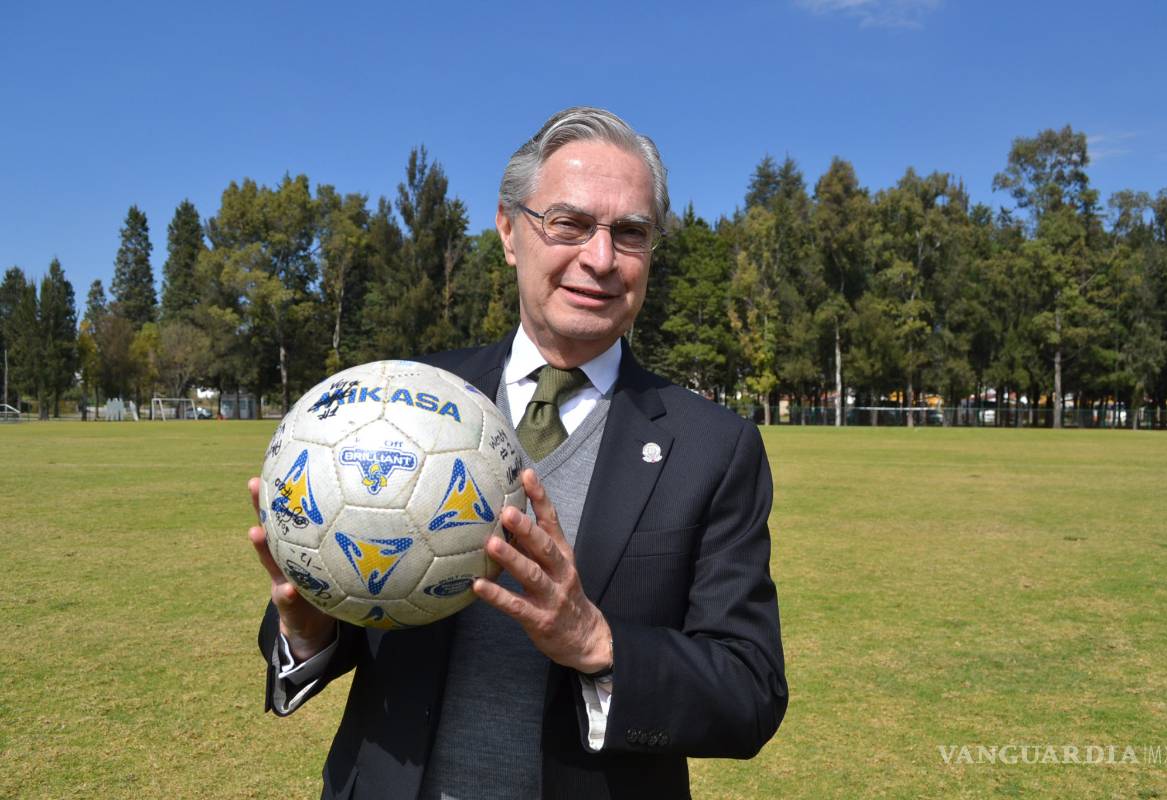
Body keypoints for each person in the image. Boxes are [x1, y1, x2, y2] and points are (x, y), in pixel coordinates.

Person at [248, 106, 787, 800]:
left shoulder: (713, 446)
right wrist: (310, 626)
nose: (600, 259)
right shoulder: (397, 404)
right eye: (569, 223)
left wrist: (597, 642)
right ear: (508, 231)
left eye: (630, 233)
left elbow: (748, 690)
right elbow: (344, 607)